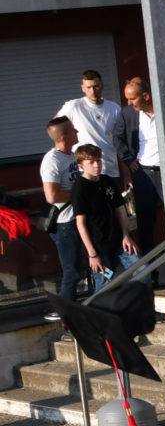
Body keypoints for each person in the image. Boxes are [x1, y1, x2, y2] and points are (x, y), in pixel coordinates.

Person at [69, 143, 135, 289]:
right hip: (99, 248)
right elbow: (80, 223)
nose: (96, 165)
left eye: (98, 160)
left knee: (142, 270)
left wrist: (126, 235)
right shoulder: (80, 188)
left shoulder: (107, 181)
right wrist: (92, 253)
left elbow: (120, 209)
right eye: (91, 162)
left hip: (119, 241)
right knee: (104, 285)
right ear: (81, 165)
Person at [40, 114, 84, 300]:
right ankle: (68, 317)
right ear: (64, 137)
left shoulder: (72, 155)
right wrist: (80, 195)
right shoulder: (52, 160)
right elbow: (52, 195)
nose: (77, 131)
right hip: (65, 224)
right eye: (73, 129)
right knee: (71, 271)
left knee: (85, 266)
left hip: (79, 218)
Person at [121, 73, 165, 254]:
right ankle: (151, 275)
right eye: (127, 99)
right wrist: (129, 160)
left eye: (132, 99)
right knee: (145, 226)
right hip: (143, 174)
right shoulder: (128, 113)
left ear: (146, 96)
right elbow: (118, 138)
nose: (129, 103)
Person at [59, 64, 129, 175]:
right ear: (82, 88)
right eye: (88, 87)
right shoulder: (73, 106)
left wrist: (126, 174)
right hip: (84, 173)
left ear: (102, 85)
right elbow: (56, 127)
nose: (93, 91)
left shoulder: (114, 108)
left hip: (110, 171)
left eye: (95, 86)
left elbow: (121, 142)